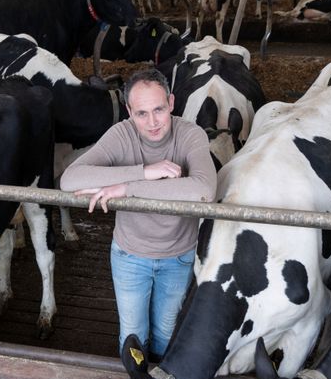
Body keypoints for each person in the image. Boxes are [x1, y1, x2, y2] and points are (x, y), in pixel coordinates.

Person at [59, 68, 218, 361]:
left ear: (171, 102)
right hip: (130, 256)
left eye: (159, 109)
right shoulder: (121, 134)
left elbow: (204, 191)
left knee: (166, 333)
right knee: (133, 335)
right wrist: (146, 172)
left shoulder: (190, 135)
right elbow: (70, 180)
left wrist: (127, 188)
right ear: (129, 111)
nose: (153, 122)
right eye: (141, 113)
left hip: (178, 256)